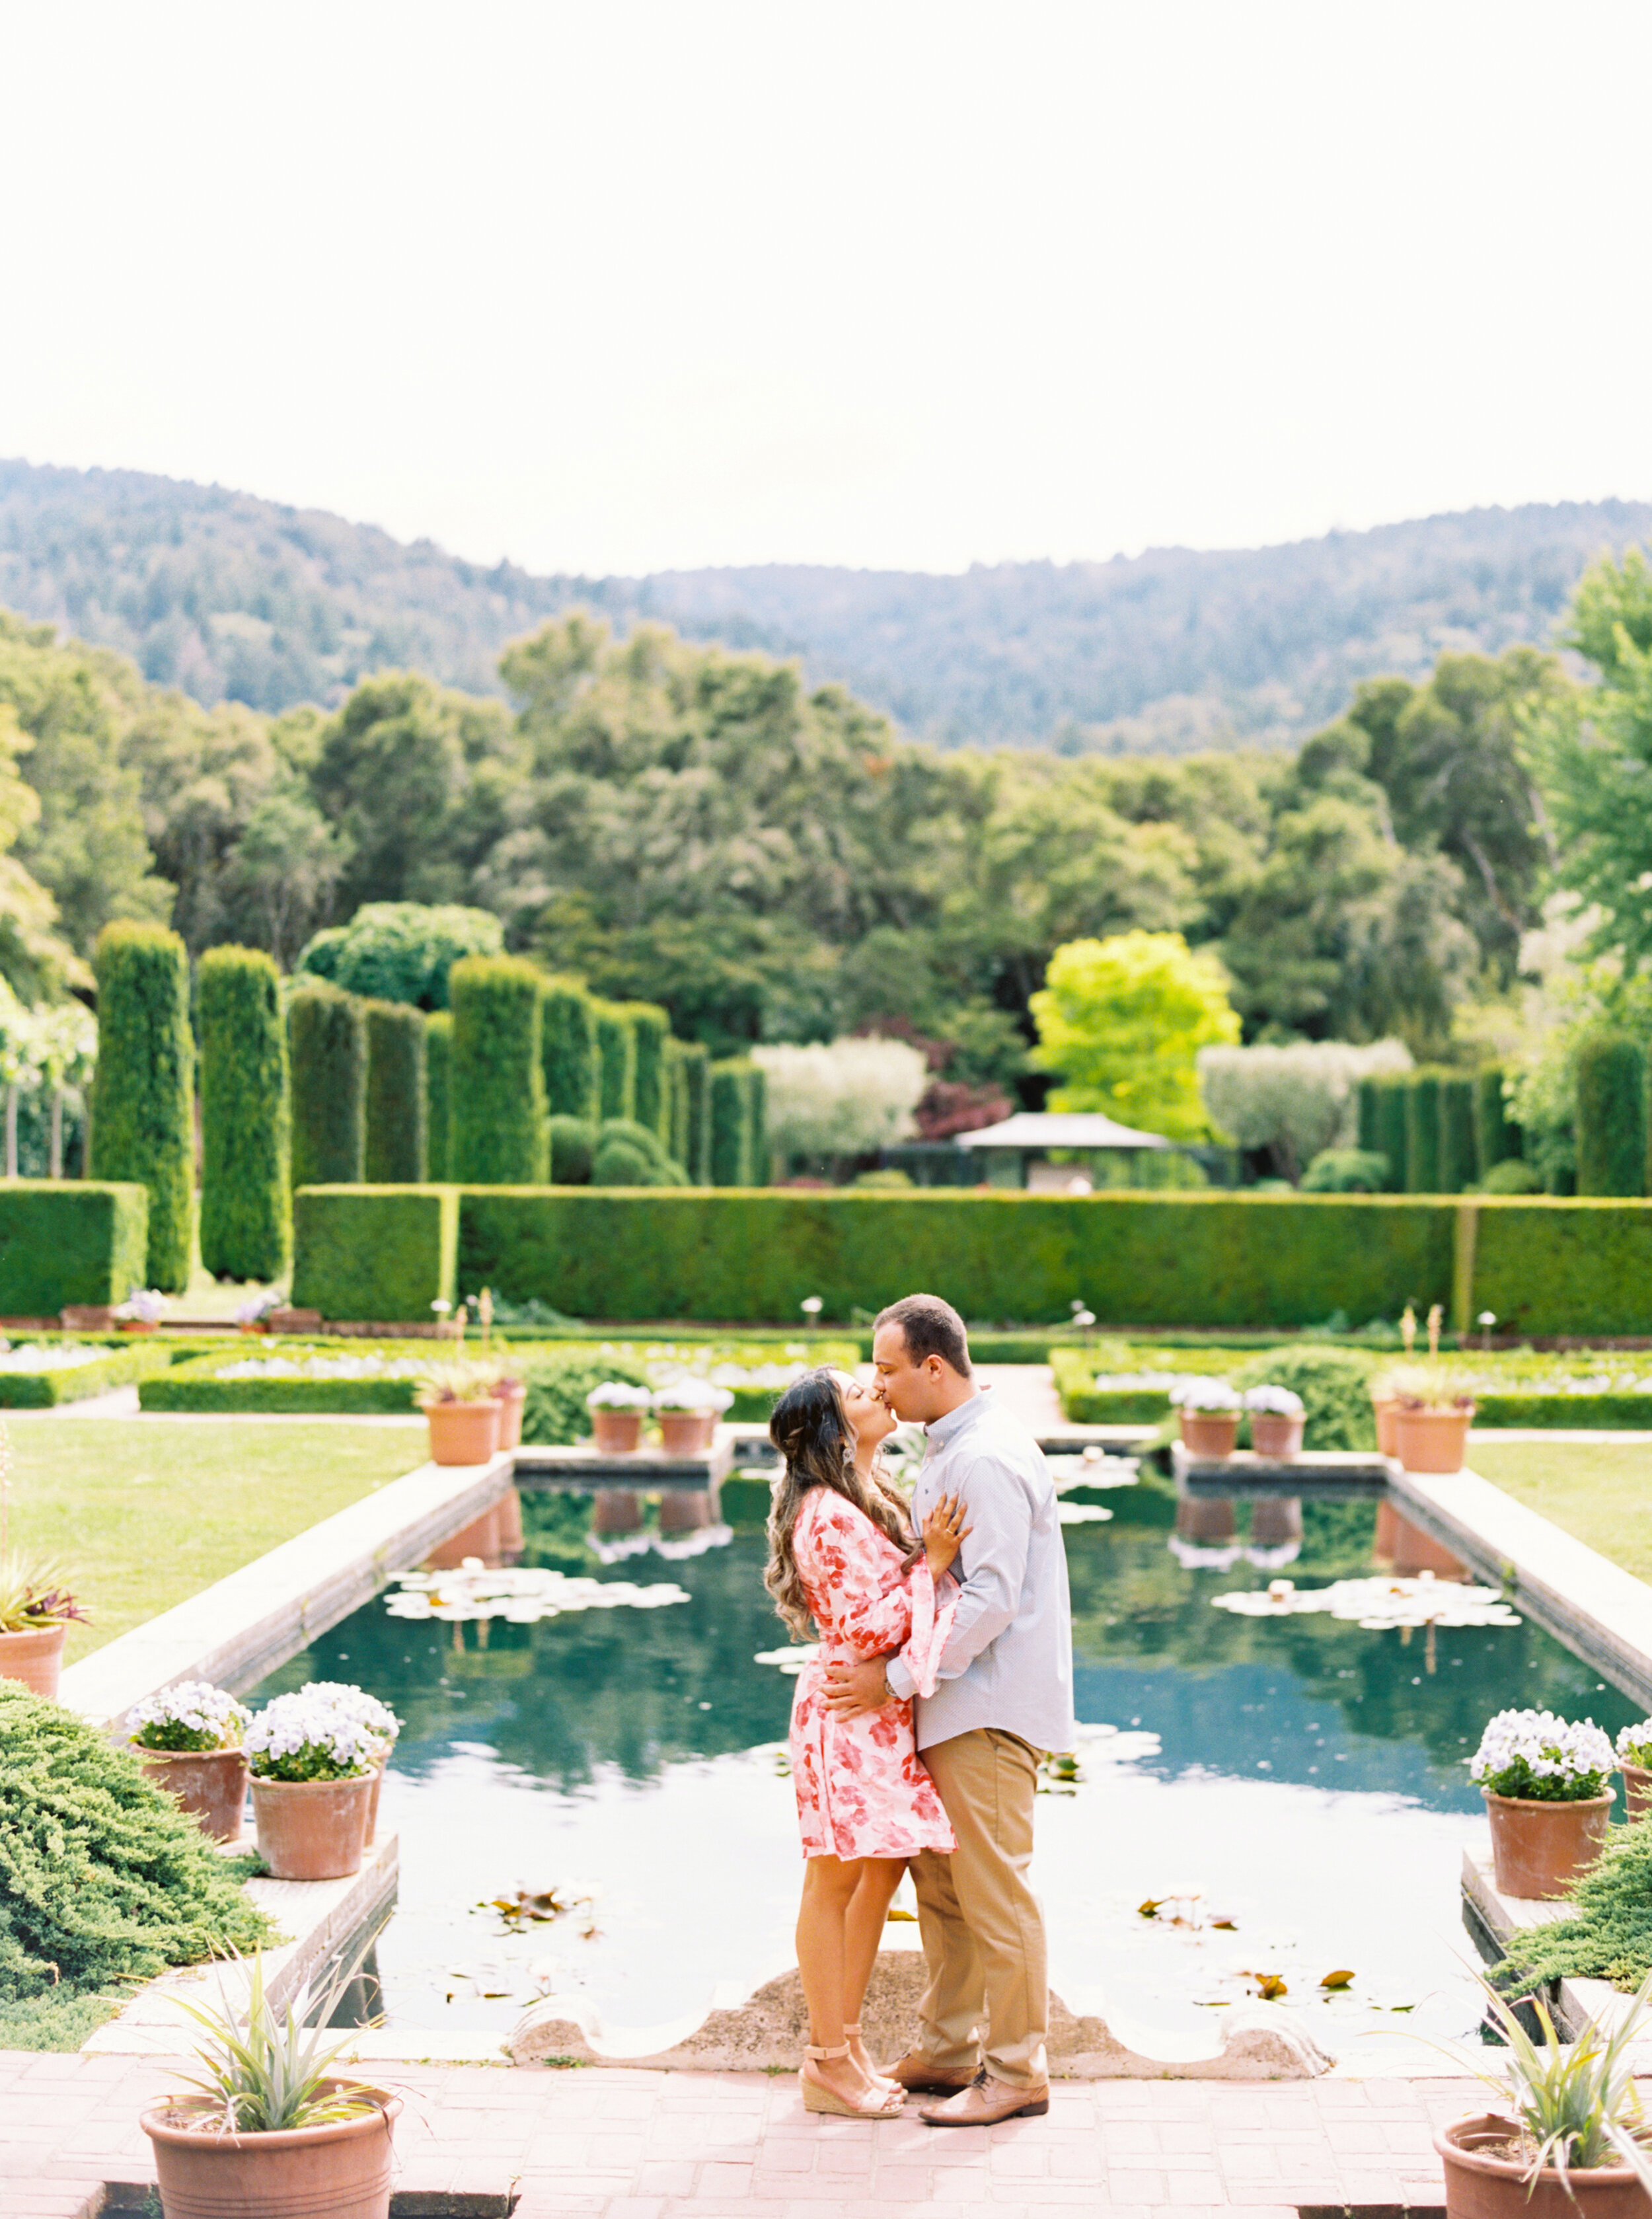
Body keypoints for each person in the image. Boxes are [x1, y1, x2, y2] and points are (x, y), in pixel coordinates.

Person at [825, 1291, 1075, 2127]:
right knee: (944, 1889)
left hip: (986, 1708)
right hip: (951, 1704)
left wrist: (890, 1679)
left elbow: (991, 1599)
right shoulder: (950, 1446)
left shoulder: (985, 1458)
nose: (879, 1385)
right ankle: (944, 2049)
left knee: (996, 1894)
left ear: (934, 1366)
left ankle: (1015, 2072)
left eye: (889, 1368)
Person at [765, 1367, 971, 2119]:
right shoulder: (826, 1513)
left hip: (875, 1709)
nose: (876, 1391)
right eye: (857, 1390)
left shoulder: (866, 1492)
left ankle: (845, 2046)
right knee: (836, 1876)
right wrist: (937, 1566)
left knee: (879, 1870)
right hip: (848, 1709)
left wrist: (923, 1567)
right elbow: (869, 1627)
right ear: (830, 1425)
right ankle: (825, 2059)